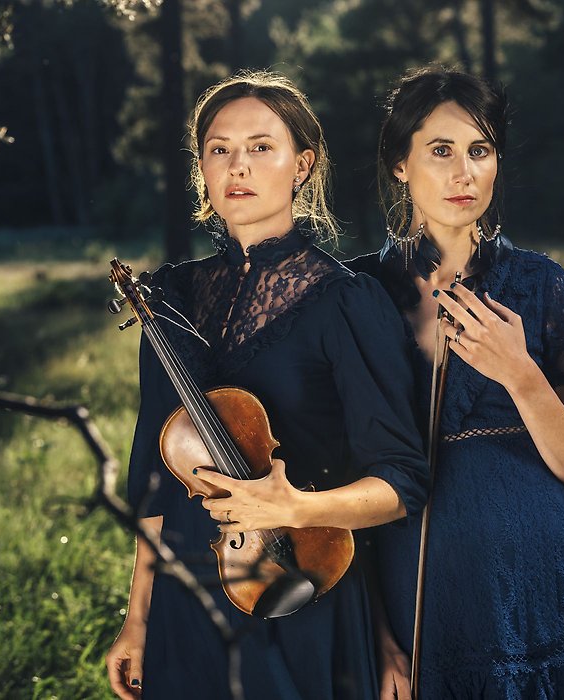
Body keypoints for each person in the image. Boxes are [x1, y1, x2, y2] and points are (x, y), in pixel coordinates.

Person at [105, 70, 428, 700]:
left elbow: (401, 483)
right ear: (202, 167)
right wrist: (137, 620)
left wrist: (295, 509)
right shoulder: (166, 298)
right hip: (184, 600)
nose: (238, 166)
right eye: (219, 149)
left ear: (302, 164)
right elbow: (154, 479)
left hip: (302, 593)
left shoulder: (347, 302)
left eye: (261, 147)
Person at [347, 66, 564, 699]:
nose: (464, 173)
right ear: (399, 164)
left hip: (551, 591)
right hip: (422, 600)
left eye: (480, 151)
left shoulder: (543, 286)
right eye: (441, 151)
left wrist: (520, 374)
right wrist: (377, 633)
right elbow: (335, 481)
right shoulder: (352, 296)